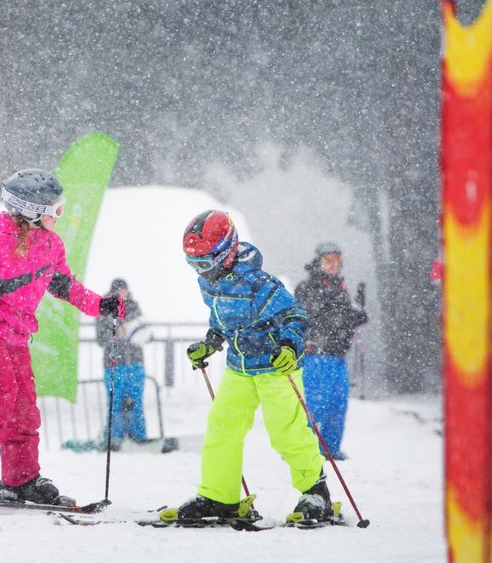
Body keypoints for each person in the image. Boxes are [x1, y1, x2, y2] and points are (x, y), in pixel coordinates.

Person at [0, 168, 123, 505]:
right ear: (33, 212)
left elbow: (67, 286)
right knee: (0, 394)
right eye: (56, 209)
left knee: (23, 407)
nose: (60, 215)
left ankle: (22, 478)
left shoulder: (51, 245)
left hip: (17, 336)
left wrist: (101, 306)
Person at [170, 210, 333, 522]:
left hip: (275, 366)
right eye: (193, 264)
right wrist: (210, 343)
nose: (200, 271)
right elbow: (222, 321)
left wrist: (289, 345)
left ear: (227, 252)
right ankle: (220, 496)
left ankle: (316, 491)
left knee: (285, 430)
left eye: (205, 262)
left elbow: (295, 315)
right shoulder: (210, 284)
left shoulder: (259, 284)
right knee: (222, 427)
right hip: (239, 367)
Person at [293, 241, 368, 460]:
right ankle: (302, 449)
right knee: (315, 405)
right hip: (317, 355)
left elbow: (344, 320)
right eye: (328, 261)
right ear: (318, 262)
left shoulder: (339, 288)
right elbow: (317, 317)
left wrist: (358, 312)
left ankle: (329, 449)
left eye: (337, 261)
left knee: (337, 406)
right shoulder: (309, 287)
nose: (334, 265)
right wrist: (343, 314)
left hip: (337, 356)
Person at [95, 278, 151, 450]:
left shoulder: (134, 307)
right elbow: (101, 338)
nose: (122, 294)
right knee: (115, 401)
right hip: (114, 364)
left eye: (124, 290)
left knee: (136, 399)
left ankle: (138, 435)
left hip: (135, 362)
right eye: (119, 291)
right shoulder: (103, 308)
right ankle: (114, 437)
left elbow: (143, 331)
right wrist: (115, 333)